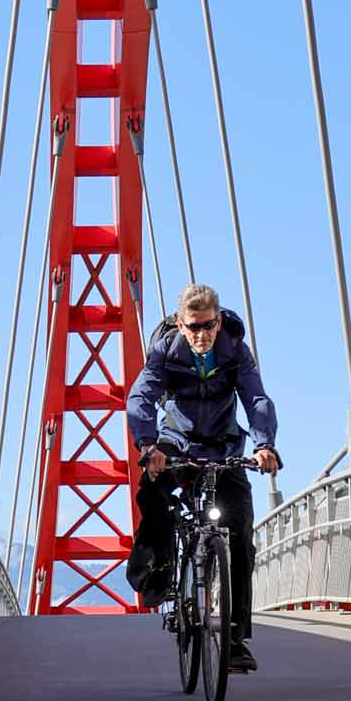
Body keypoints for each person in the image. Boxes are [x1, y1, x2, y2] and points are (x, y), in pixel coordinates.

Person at [125, 281, 280, 669]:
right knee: (152, 492)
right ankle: (157, 567)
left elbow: (256, 398)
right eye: (193, 327)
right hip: (176, 444)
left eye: (208, 326)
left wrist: (264, 445)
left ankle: (234, 639)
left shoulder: (236, 353)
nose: (201, 335)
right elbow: (141, 397)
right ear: (180, 325)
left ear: (219, 321)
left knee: (241, 534)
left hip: (224, 447)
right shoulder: (165, 353)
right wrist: (148, 446)